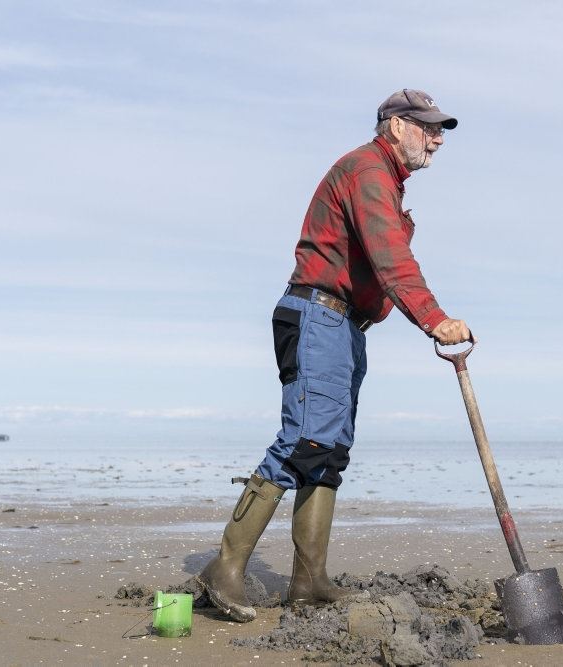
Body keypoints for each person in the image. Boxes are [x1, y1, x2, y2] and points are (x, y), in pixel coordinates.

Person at [198, 89, 473, 622]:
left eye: (441, 130)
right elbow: (391, 258)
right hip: (317, 315)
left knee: (329, 449)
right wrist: (434, 318)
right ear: (396, 126)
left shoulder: (386, 181)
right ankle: (225, 567)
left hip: (344, 324)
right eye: (428, 128)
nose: (438, 139)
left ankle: (309, 582)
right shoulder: (367, 171)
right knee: (305, 437)